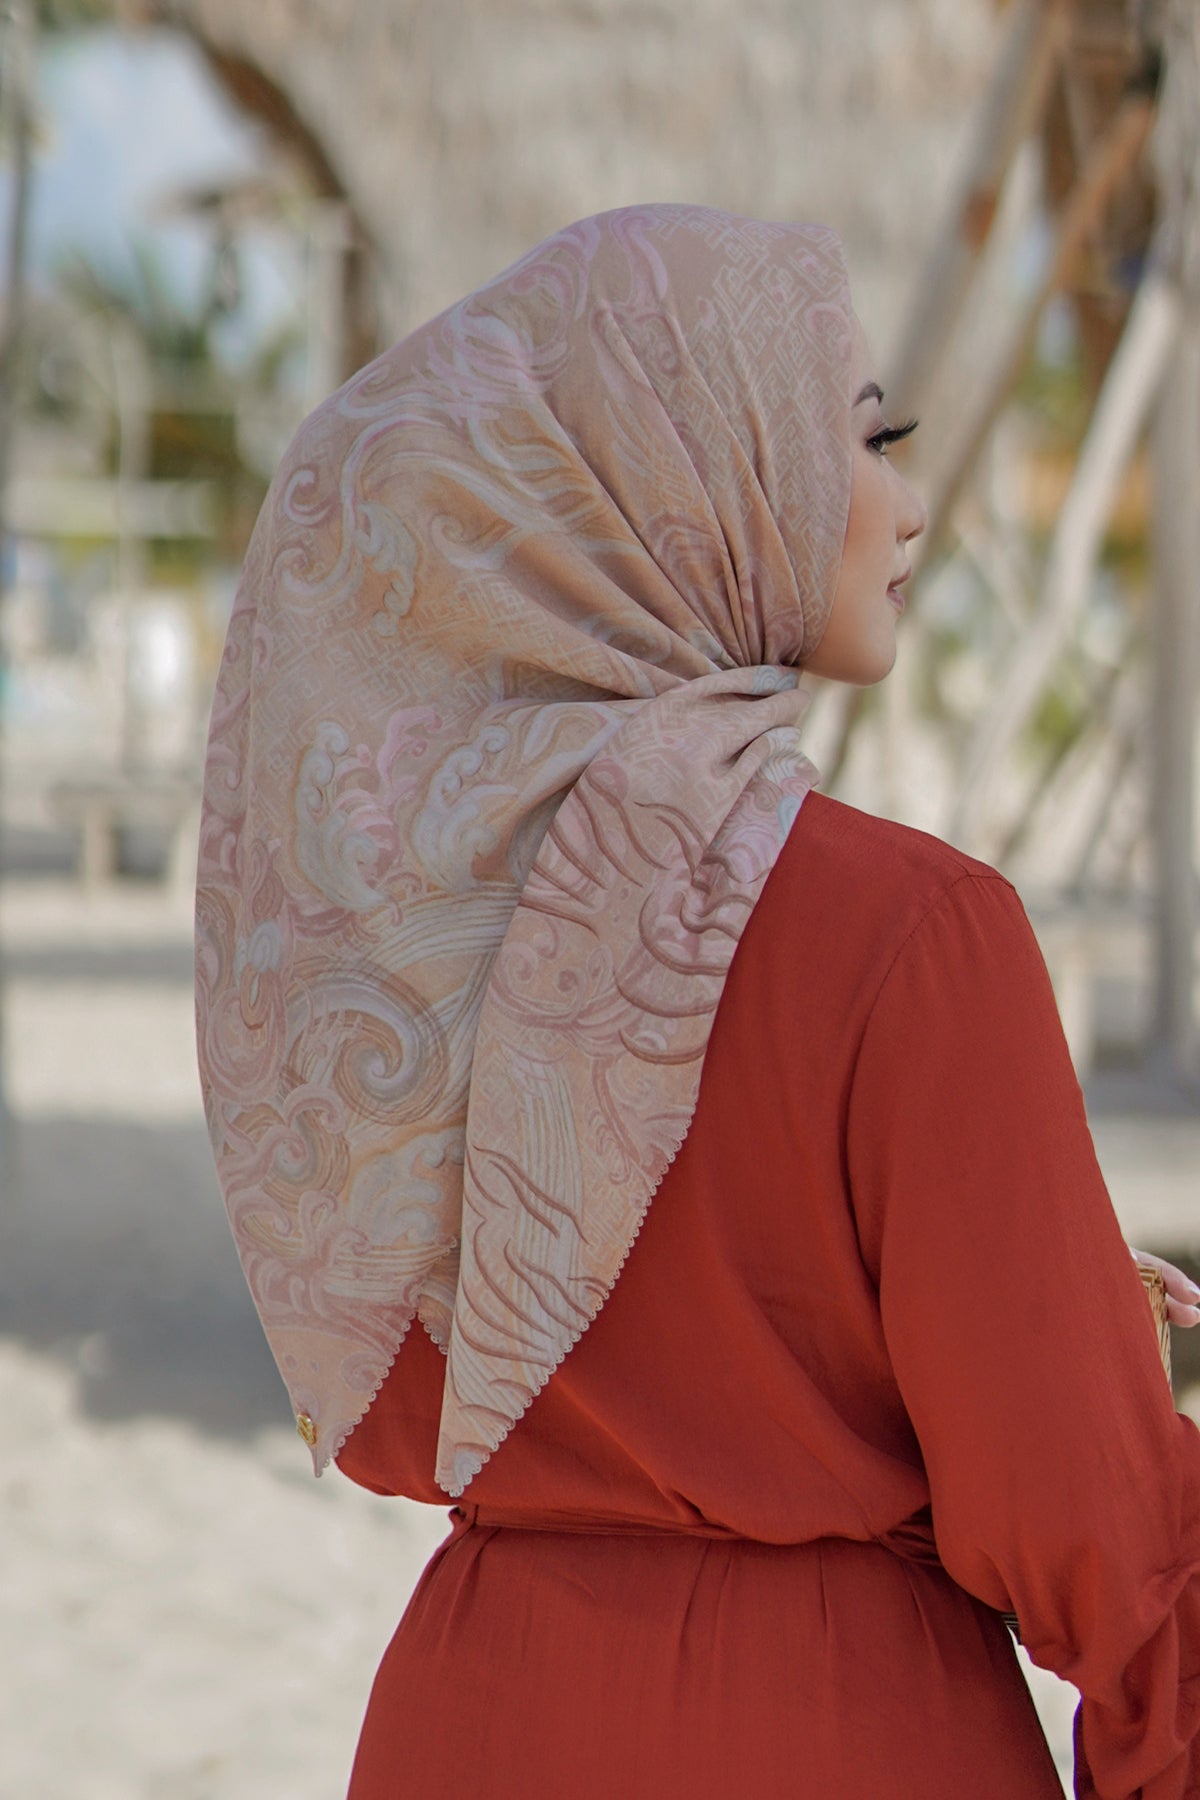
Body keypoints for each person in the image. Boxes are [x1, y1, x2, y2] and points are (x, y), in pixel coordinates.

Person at [195, 205, 1200, 1799]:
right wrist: (1061, 1346)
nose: (910, 505)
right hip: (838, 1726)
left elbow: (438, 1379)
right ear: (692, 481)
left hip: (480, 1711)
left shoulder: (395, 957)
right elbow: (1108, 1552)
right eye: (864, 442)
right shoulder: (918, 934)